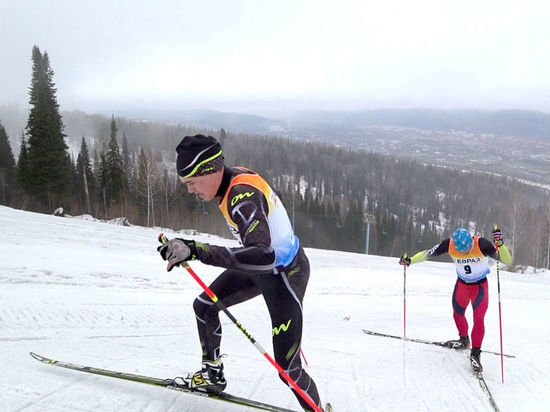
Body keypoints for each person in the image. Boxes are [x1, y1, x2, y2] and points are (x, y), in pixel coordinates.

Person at [157, 135, 328, 411]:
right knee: (204, 305)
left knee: (287, 369)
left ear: (211, 170)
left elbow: (263, 253)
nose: (191, 191)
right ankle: (212, 376)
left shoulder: (241, 197)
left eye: (192, 182)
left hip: (284, 274)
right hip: (260, 267)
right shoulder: (233, 180)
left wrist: (197, 250)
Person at [399, 226, 512, 372]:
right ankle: (464, 340)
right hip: (462, 286)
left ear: (470, 242)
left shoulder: (481, 244)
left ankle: (476, 354)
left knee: (478, 319)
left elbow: (506, 260)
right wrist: (410, 260)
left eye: (465, 249)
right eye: (459, 250)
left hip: (479, 287)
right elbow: (427, 254)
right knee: (457, 314)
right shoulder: (449, 244)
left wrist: (500, 244)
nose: (462, 252)